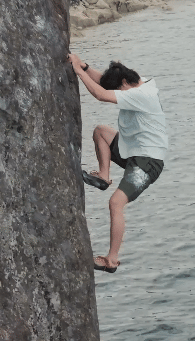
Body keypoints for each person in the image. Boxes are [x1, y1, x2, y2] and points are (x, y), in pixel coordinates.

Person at [68, 53, 168, 273]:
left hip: (147, 163)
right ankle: (104, 176)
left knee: (115, 204)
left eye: (118, 89)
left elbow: (101, 94)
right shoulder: (137, 82)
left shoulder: (141, 95)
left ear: (124, 82)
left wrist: (77, 72)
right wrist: (85, 67)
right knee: (101, 132)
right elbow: (105, 83)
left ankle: (111, 260)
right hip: (132, 151)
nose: (117, 94)